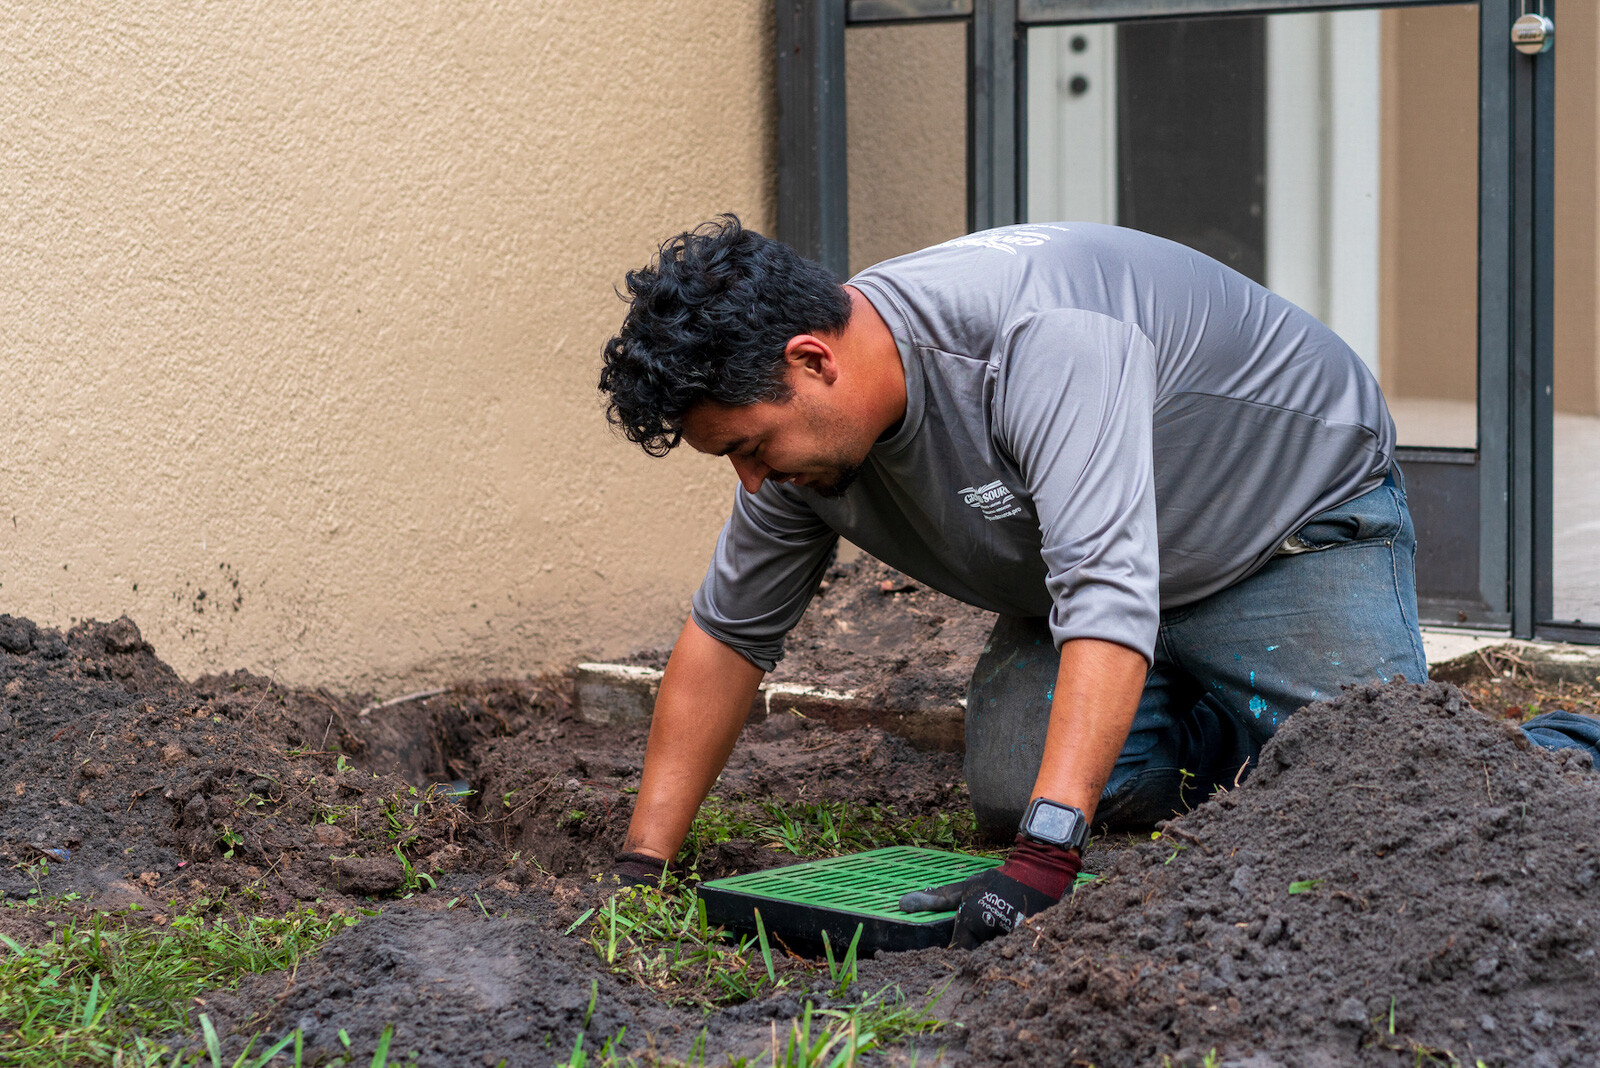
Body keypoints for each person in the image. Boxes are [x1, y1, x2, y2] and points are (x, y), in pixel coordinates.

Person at [595, 215, 1590, 948]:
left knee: (1383, 792)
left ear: (812, 360)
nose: (752, 479)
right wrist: (643, 868)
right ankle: (1213, 716)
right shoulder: (801, 447)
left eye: (750, 445)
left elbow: (1105, 592)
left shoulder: (1036, 339)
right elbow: (726, 638)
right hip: (1090, 579)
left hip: (1280, 521)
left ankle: (1563, 745)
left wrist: (1044, 861)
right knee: (1012, 783)